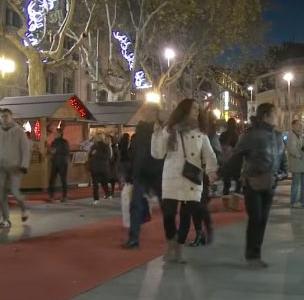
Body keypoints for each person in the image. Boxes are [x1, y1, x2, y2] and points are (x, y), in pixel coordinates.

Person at [219, 103, 287, 268]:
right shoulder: (249, 135)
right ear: (266, 115)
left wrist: (279, 175)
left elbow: (282, 162)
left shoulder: (278, 136)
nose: (279, 117)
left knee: (262, 219)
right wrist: (220, 173)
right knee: (255, 218)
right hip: (252, 183)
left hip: (270, 183)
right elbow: (236, 159)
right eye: (276, 113)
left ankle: (256, 252)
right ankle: (252, 255)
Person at [152, 99, 217, 263]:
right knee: (168, 215)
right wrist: (157, 133)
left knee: (186, 217)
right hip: (172, 176)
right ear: (184, 110)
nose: (197, 111)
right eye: (193, 108)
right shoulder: (169, 129)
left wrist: (211, 171)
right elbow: (158, 154)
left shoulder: (201, 132)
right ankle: (171, 243)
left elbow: (209, 154)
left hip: (192, 178)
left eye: (198, 109)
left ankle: (179, 248)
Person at [122, 105, 164, 249]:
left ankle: (172, 236)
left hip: (158, 172)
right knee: (135, 204)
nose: (146, 114)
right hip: (141, 174)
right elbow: (133, 153)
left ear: (156, 113)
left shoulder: (161, 130)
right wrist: (130, 172)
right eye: (145, 111)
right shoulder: (139, 132)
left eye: (150, 111)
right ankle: (133, 238)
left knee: (166, 206)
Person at [180, 108, 222, 247]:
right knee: (189, 206)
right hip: (187, 174)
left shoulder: (208, 135)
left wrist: (209, 168)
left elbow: (215, 153)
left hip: (200, 175)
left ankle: (201, 232)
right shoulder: (184, 132)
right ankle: (197, 233)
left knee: (196, 206)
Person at [0, 108, 31, 229]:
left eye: (6, 116)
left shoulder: (19, 132)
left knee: (15, 192)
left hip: (15, 167)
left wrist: (24, 165)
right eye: (2, 117)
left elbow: (25, 149)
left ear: (11, 117)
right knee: (2, 195)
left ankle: (24, 209)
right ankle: (6, 219)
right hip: (0, 166)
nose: (4, 118)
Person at [286, 119, 304, 208]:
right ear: (293, 126)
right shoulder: (292, 136)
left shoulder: (301, 136)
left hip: (303, 163)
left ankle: (303, 201)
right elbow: (291, 148)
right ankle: (294, 201)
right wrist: (299, 155)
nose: (300, 127)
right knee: (296, 183)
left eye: (301, 125)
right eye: (298, 125)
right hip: (297, 163)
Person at [219, 118, 240, 198]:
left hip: (225, 160)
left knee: (226, 181)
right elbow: (238, 148)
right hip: (235, 161)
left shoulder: (223, 134)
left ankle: (225, 194)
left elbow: (220, 145)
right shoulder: (236, 135)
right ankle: (237, 195)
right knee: (238, 179)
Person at [88, 133, 112, 205]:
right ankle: (96, 199)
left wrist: (96, 154)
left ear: (100, 138)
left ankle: (107, 194)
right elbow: (90, 155)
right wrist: (91, 154)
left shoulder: (105, 146)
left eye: (96, 137)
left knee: (103, 183)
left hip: (102, 168)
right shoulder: (93, 146)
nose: (95, 138)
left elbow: (107, 156)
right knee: (95, 184)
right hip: (95, 168)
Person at [48, 129, 71, 202]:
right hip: (61, 162)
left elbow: (53, 151)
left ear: (59, 134)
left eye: (55, 133)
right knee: (62, 179)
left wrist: (54, 151)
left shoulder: (56, 142)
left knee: (54, 179)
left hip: (58, 162)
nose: (54, 135)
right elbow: (67, 151)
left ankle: (53, 196)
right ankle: (63, 196)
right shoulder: (64, 142)